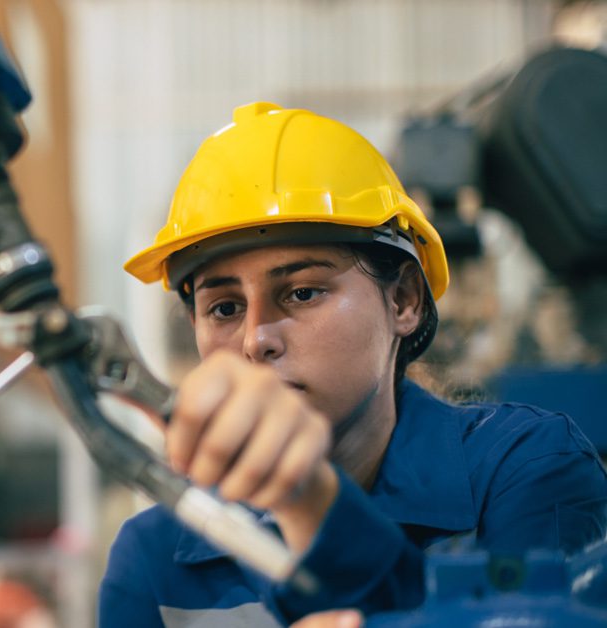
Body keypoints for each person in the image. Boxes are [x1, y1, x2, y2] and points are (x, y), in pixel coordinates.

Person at [99, 102, 607, 626]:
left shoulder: (524, 470)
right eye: (225, 308)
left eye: (300, 292)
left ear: (404, 300)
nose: (255, 340)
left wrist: (311, 505)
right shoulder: (156, 558)